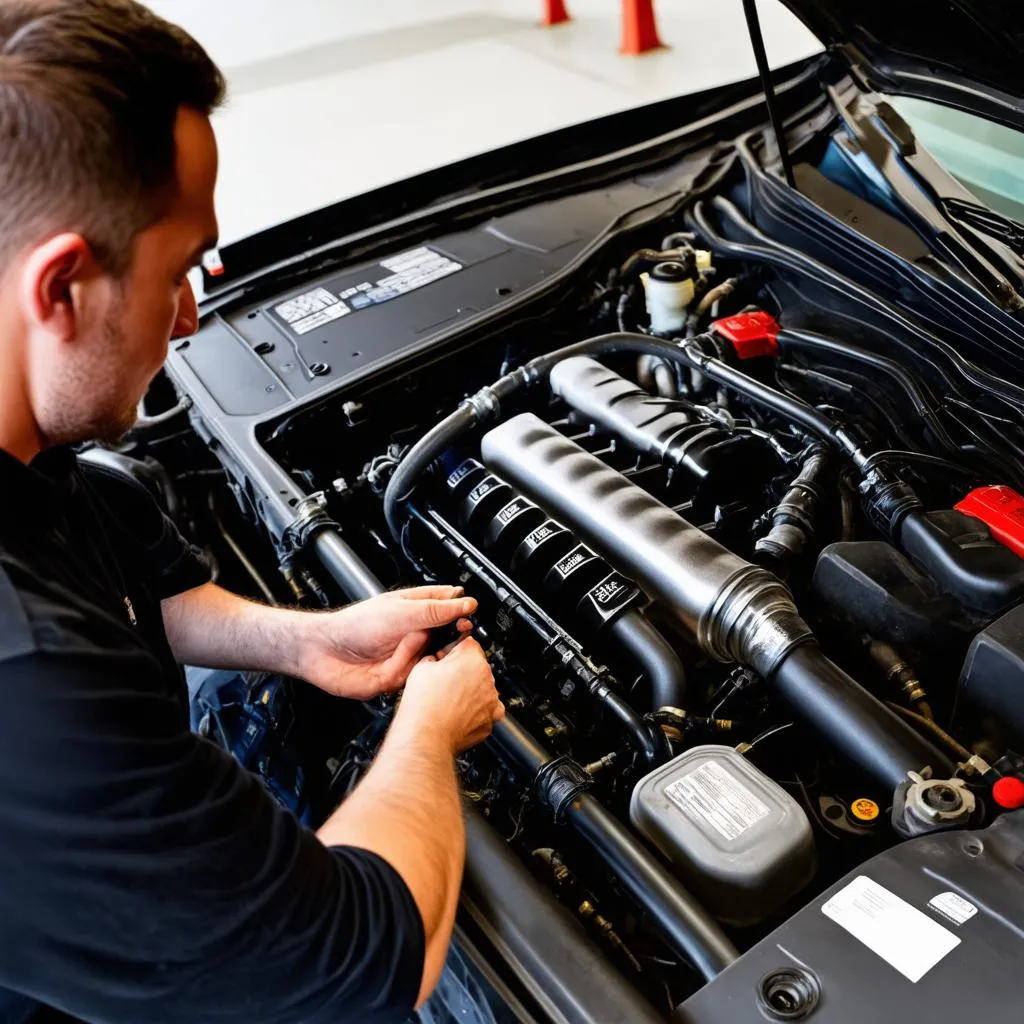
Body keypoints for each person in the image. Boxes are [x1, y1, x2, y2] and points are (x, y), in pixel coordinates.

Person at [0, 2, 505, 1022]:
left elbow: (120, 564)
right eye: (178, 268)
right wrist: (428, 729)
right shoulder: (29, 695)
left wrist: (309, 641)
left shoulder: (33, 448)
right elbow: (363, 964)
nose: (190, 316)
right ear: (59, 282)